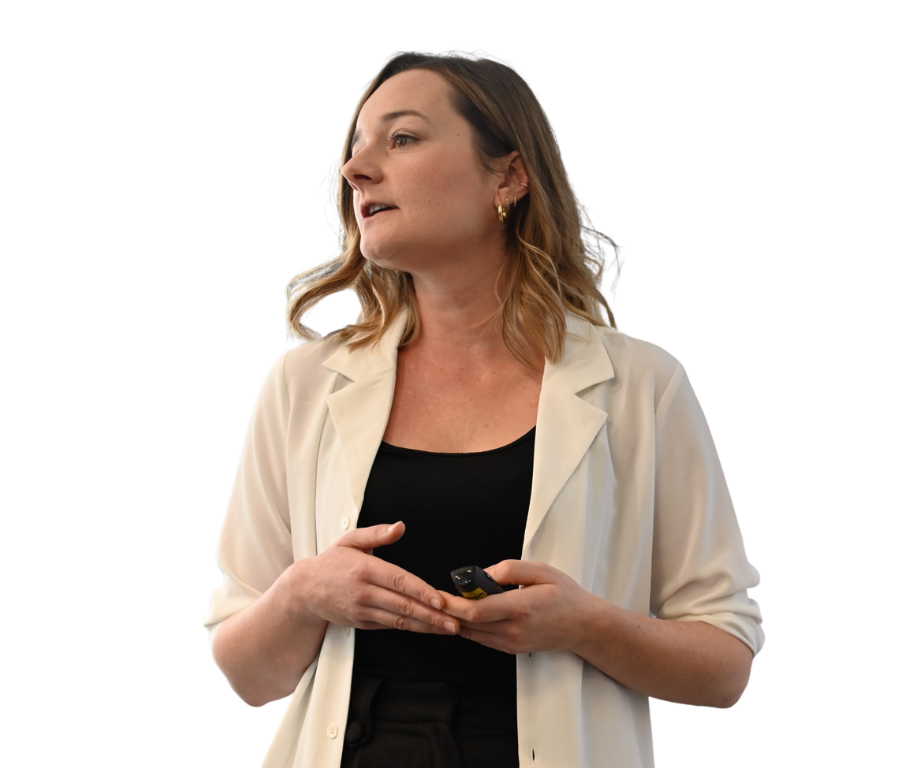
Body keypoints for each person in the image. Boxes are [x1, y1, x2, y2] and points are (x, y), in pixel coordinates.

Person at [201, 49, 764, 768]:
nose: (357, 169)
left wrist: (583, 625)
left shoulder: (641, 386)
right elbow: (243, 672)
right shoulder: (301, 386)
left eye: (400, 138)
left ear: (509, 175)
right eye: (354, 148)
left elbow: (723, 667)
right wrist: (305, 593)